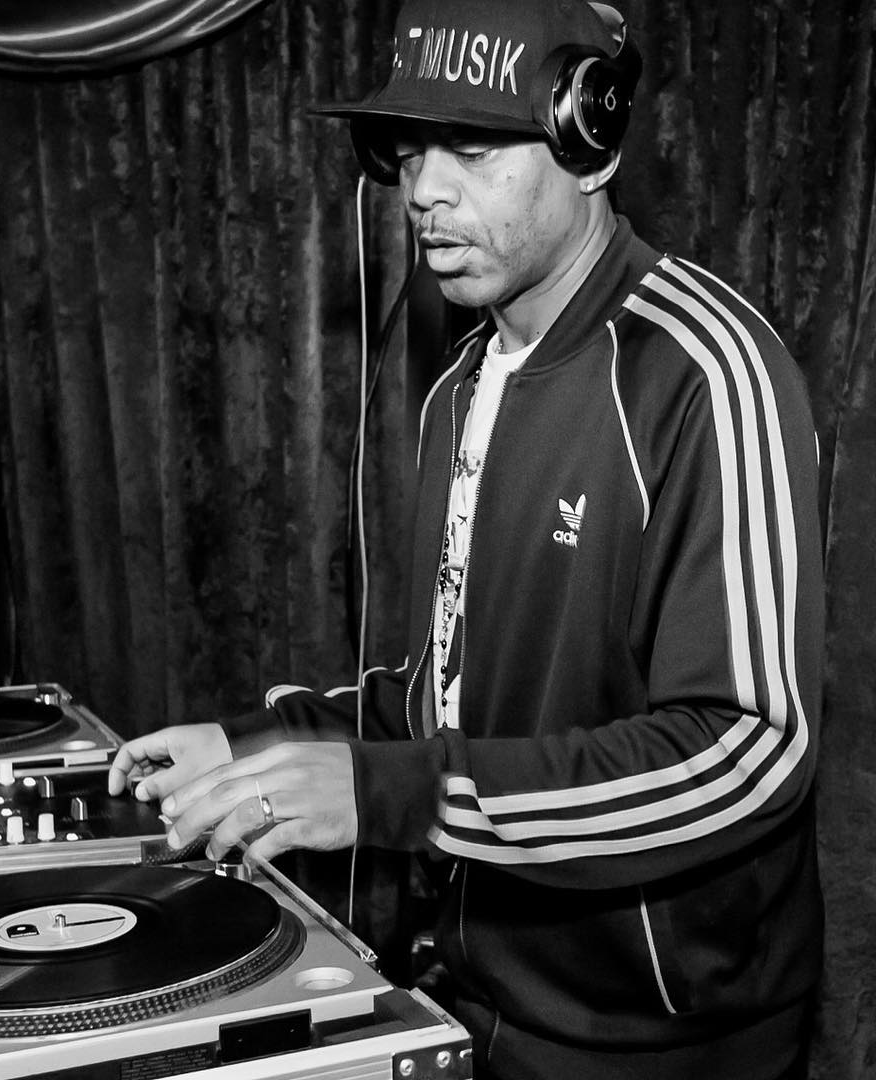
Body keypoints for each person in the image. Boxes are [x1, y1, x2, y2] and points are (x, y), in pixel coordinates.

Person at [109, 1, 825, 1076]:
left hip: (660, 1039)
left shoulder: (706, 374)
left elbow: (748, 753)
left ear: (593, 145)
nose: (424, 192)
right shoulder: (457, 389)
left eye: (475, 149)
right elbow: (453, 699)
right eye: (409, 151)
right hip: (473, 1000)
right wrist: (263, 744)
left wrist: (394, 794)